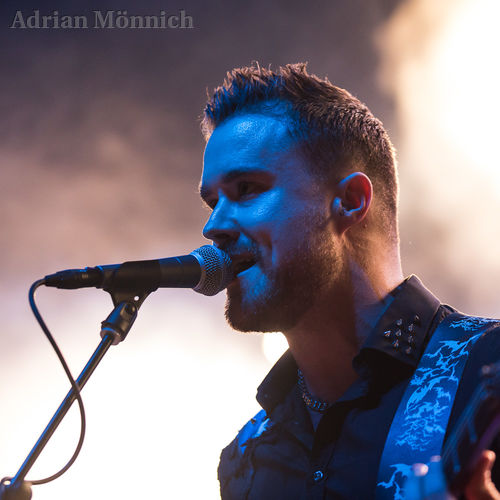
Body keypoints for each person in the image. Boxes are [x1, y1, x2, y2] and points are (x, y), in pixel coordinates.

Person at [198, 63, 500, 499]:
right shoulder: (246, 458)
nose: (213, 227)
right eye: (212, 202)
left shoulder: (485, 366)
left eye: (246, 188)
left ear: (351, 200)